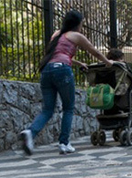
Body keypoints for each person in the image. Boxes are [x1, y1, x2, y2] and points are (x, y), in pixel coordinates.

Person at [19, 10, 113, 155]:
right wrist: (108, 62)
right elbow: (95, 52)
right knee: (68, 108)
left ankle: (30, 132)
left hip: (47, 71)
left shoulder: (56, 35)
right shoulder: (76, 36)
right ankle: (64, 143)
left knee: (47, 110)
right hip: (62, 71)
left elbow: (57, 55)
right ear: (77, 24)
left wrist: (77, 63)